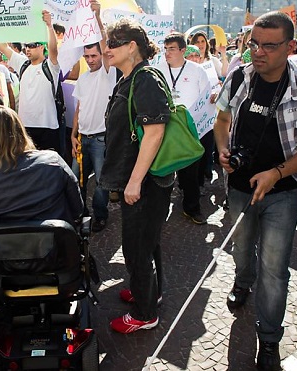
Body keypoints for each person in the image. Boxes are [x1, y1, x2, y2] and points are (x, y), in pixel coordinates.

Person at [214, 12, 297, 370]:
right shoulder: (238, 76)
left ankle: (268, 340)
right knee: (242, 249)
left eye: (269, 46)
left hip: (283, 191)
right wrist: (222, 153)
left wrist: (275, 173)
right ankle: (242, 281)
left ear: (291, 47)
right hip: (238, 186)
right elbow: (221, 122)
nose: (258, 53)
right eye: (254, 44)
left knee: (275, 269)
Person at [100, 19, 172, 334]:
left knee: (136, 247)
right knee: (147, 242)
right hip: (141, 180)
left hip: (145, 182)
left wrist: (134, 181)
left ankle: (144, 314)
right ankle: (149, 292)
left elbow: (155, 132)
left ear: (132, 47)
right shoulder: (130, 77)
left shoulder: (145, 78)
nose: (106, 49)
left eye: (113, 44)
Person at [0, 106, 82, 226]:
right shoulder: (52, 161)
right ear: (19, 130)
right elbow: (77, 207)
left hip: (2, 243)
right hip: (53, 241)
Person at [157, 32, 211, 225]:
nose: (167, 53)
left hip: (188, 127)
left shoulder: (197, 71)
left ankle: (192, 208)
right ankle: (159, 210)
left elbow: (207, 96)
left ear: (183, 50)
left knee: (190, 171)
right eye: (165, 49)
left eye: (172, 49)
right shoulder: (158, 70)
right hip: (164, 126)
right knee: (163, 168)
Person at [70, 0, 115, 233]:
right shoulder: (84, 78)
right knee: (77, 181)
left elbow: (106, 45)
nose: (90, 60)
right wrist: (73, 134)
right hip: (82, 138)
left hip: (100, 139)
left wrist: (97, 18)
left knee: (100, 182)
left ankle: (100, 215)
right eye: (87, 56)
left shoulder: (108, 73)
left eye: (94, 55)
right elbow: (79, 108)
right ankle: (80, 214)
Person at [0, 11, 62, 153]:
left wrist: (49, 26)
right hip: (25, 126)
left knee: (48, 168)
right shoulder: (23, 64)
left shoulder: (51, 66)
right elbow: (2, 47)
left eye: (32, 45)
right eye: (26, 46)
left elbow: (53, 49)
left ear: (41, 47)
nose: (27, 49)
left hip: (47, 126)